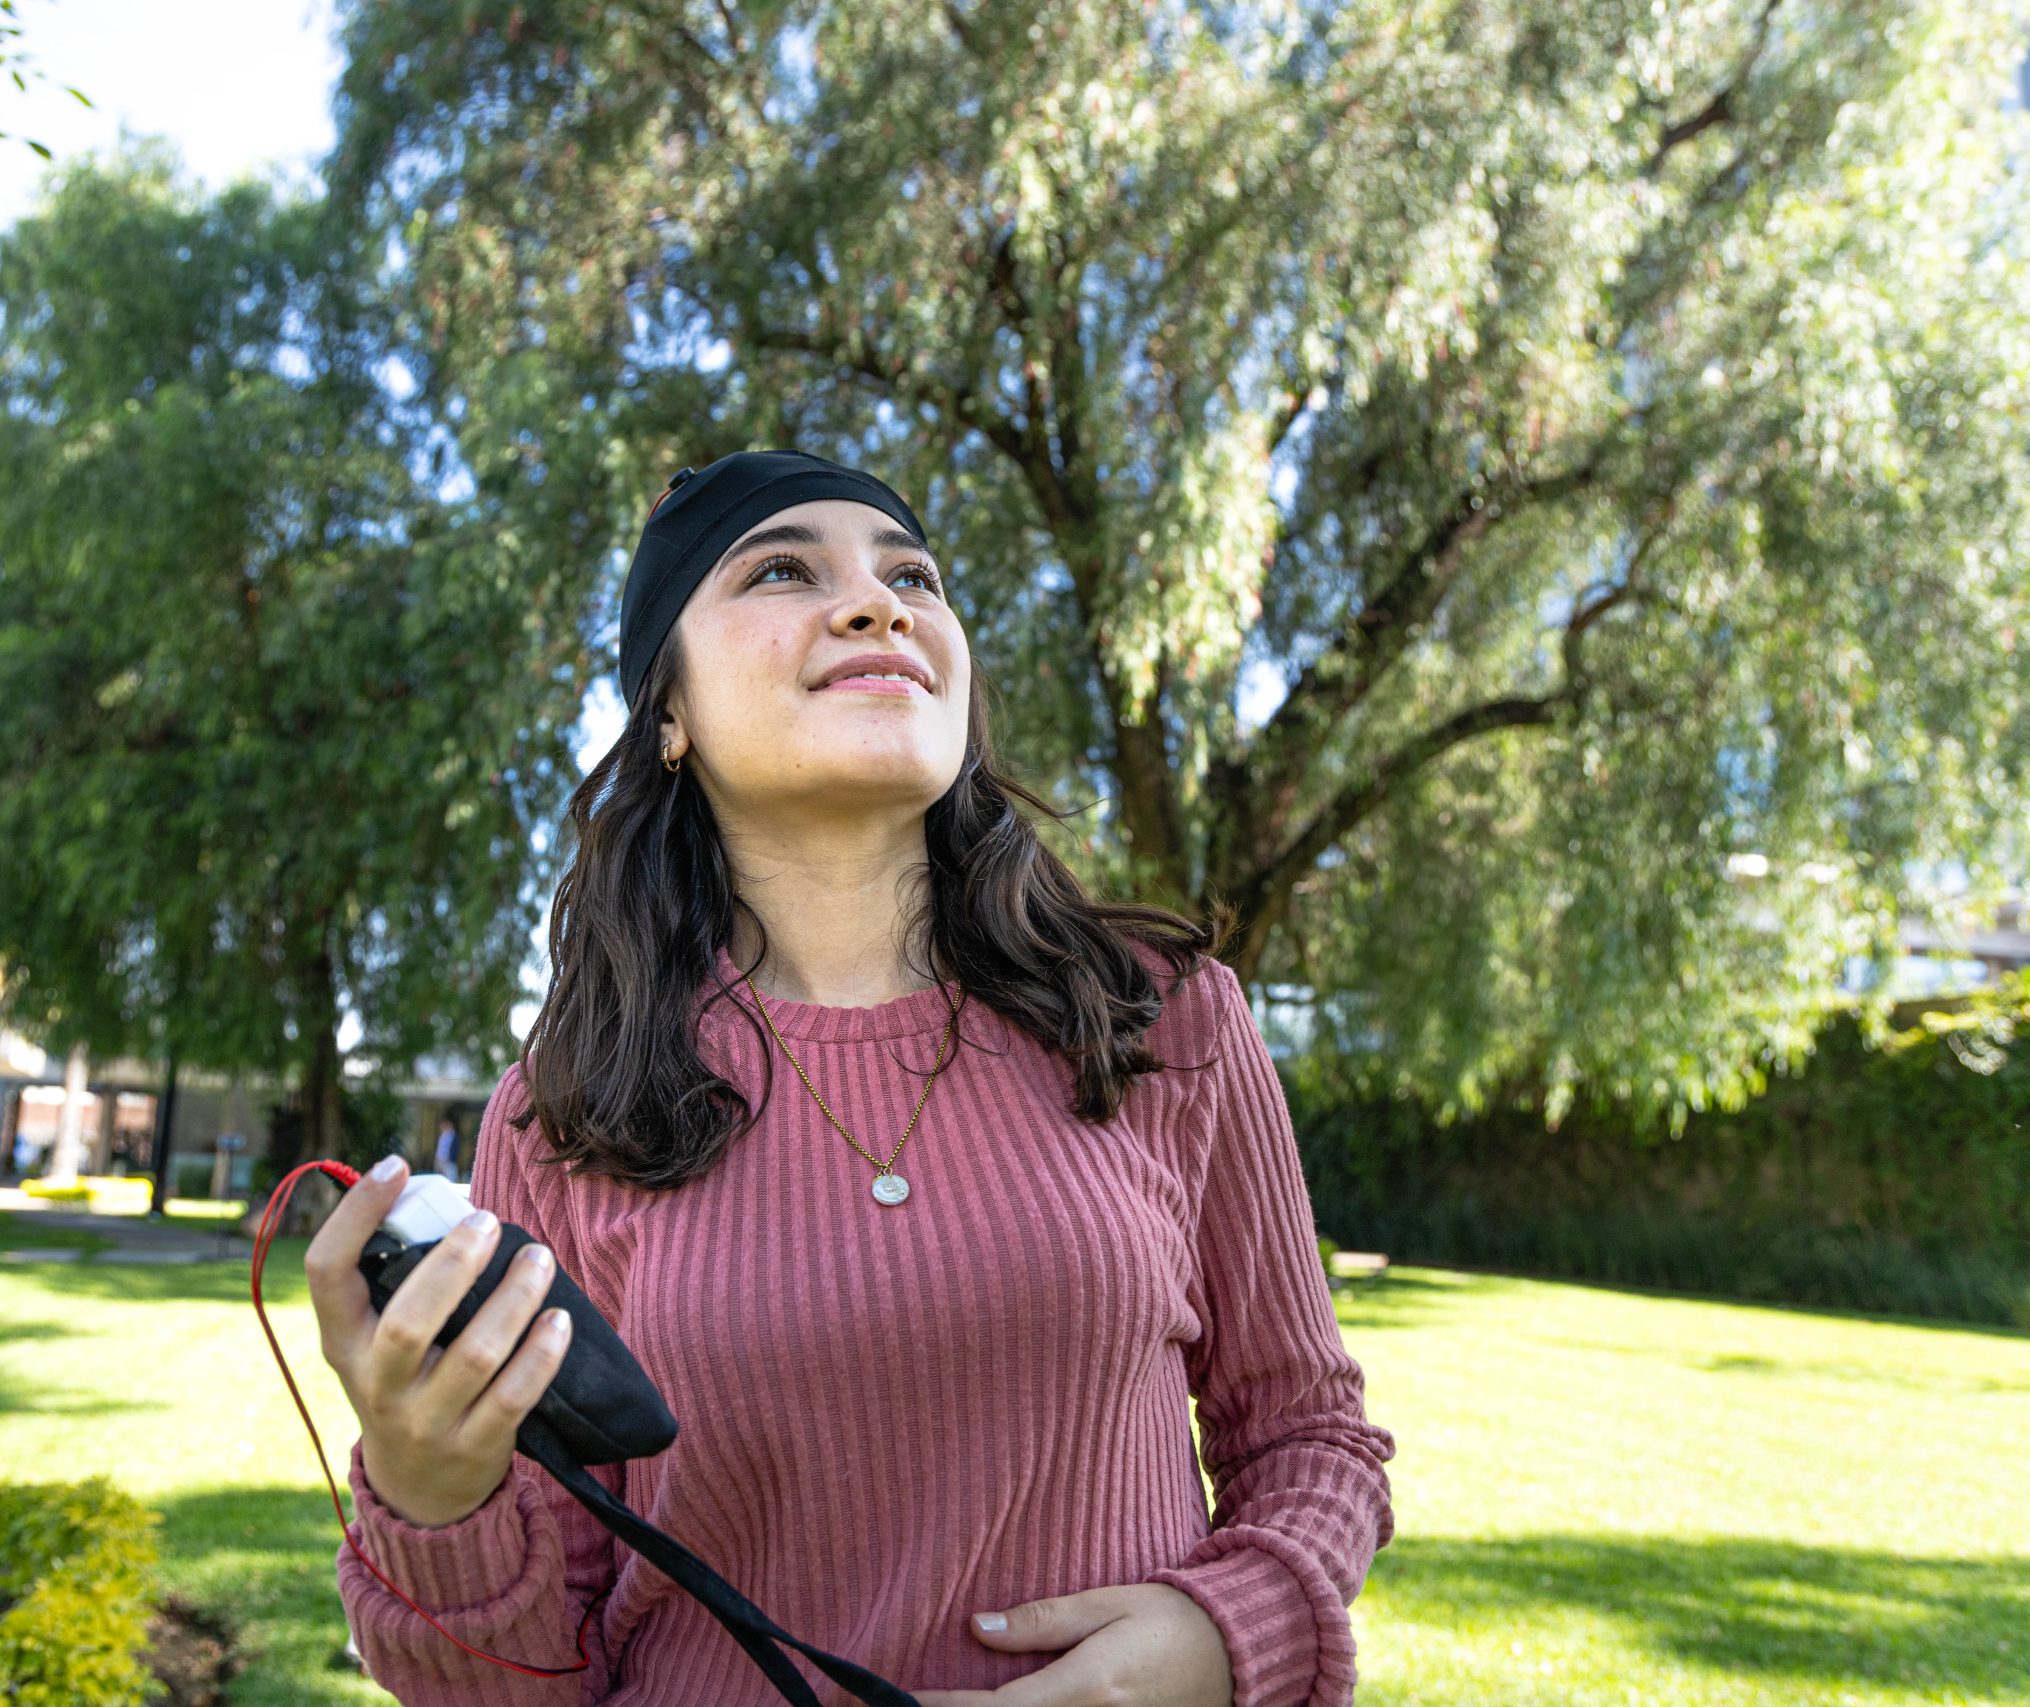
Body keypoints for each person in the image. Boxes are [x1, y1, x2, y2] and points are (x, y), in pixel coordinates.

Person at [303, 448, 1397, 1706]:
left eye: (913, 577)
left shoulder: (1156, 1016)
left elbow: (1311, 1436)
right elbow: (528, 1671)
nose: (881, 604)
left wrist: (1220, 1638)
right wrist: (433, 1495)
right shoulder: (562, 1115)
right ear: (669, 712)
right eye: (782, 569)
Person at [431, 1113, 462, 1184]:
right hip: (440, 1159)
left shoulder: (454, 1136)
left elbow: (455, 1149)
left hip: (449, 1160)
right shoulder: (442, 1135)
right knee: (440, 1178)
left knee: (451, 1178)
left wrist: (450, 1158)